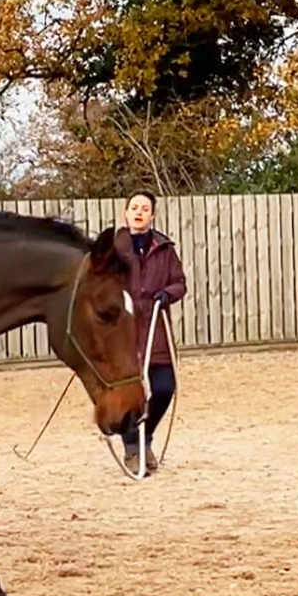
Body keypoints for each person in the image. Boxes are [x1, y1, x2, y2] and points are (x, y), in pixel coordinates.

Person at [114, 190, 186, 472]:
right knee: (126, 396)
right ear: (126, 213)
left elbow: (180, 282)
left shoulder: (165, 249)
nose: (139, 212)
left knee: (164, 388)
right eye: (134, 207)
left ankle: (146, 437)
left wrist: (167, 293)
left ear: (152, 215)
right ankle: (132, 448)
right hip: (123, 332)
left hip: (155, 330)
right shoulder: (113, 248)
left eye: (145, 208)